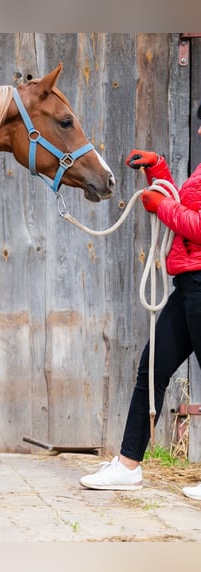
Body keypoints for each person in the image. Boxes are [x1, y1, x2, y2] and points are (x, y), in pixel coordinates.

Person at [80, 102, 201, 500]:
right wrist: (158, 170)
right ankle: (128, 466)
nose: (199, 133)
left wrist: (163, 206)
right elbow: (184, 207)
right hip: (187, 287)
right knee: (152, 371)